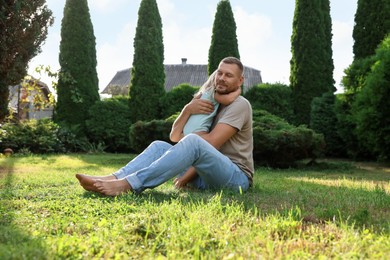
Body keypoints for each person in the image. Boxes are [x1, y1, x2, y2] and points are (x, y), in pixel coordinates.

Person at [76, 57, 254, 196]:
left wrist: (186, 155)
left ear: (240, 81)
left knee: (193, 141)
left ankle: (128, 185)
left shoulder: (240, 105)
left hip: (236, 178)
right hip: (205, 177)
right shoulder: (210, 102)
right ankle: (109, 179)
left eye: (228, 75)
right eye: (219, 73)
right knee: (159, 147)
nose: (221, 79)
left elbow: (211, 144)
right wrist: (187, 110)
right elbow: (175, 138)